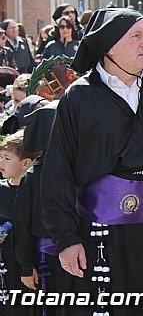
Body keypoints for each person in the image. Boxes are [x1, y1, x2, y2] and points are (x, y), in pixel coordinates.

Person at [41, 8, 143, 316]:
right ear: (108, 46)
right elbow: (58, 170)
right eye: (136, 36)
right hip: (99, 232)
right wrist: (66, 238)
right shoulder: (79, 97)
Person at [13, 101, 69, 316]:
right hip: (46, 258)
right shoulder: (33, 176)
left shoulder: (78, 170)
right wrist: (27, 265)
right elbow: (22, 223)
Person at [0, 129, 40, 315]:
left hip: (30, 267)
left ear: (26, 163)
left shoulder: (36, 192)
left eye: (7, 159)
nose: (1, 163)